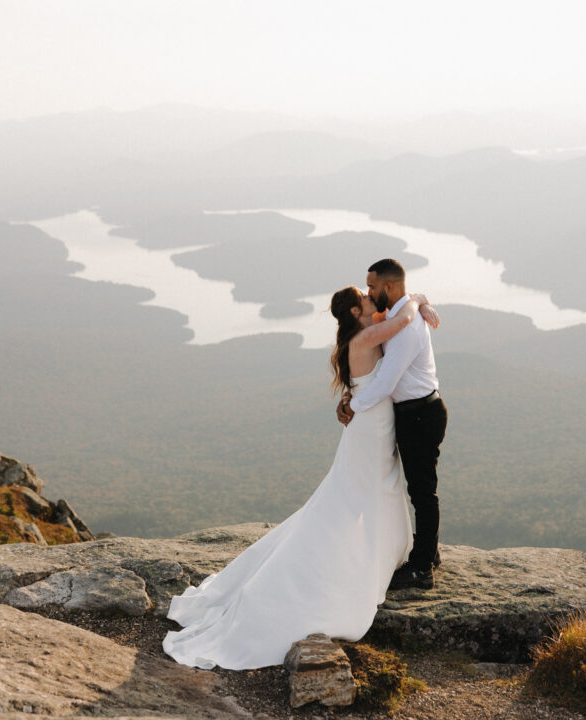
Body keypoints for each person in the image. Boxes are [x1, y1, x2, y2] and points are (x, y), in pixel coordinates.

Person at [161, 285, 439, 671]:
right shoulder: (366, 336)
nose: (372, 297)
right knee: (361, 492)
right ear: (358, 311)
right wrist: (420, 302)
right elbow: (405, 317)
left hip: (373, 423)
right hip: (371, 427)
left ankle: (382, 552)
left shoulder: (361, 332)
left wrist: (420, 301)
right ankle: (353, 563)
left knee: (372, 489)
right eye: (366, 296)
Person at [337, 258, 448, 591]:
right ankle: (428, 549)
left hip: (420, 414)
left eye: (371, 286)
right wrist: (420, 300)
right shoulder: (399, 314)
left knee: (422, 492)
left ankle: (422, 569)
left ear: (387, 286)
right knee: (418, 488)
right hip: (411, 413)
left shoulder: (407, 327)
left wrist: (353, 406)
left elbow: (385, 382)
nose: (369, 292)